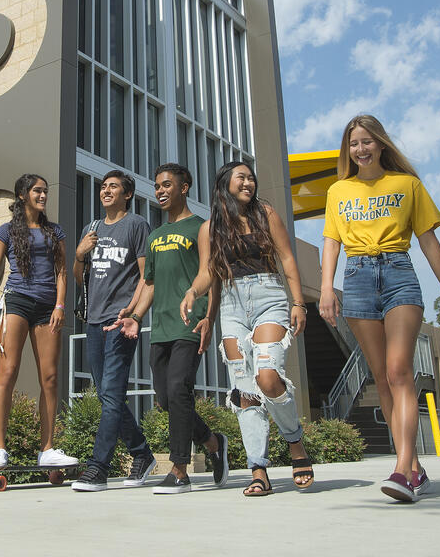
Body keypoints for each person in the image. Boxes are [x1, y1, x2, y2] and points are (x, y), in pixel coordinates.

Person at [319, 114, 440, 502]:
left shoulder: (407, 185)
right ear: (346, 150)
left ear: (381, 144)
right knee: (381, 376)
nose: (361, 149)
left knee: (400, 370)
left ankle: (401, 469)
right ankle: (414, 469)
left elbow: (428, 240)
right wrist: (325, 289)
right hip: (357, 277)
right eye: (354, 144)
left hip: (398, 271)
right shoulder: (339, 191)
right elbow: (332, 243)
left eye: (367, 141)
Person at [180, 162, 315, 496]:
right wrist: (192, 292)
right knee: (244, 393)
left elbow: (286, 259)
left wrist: (299, 302)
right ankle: (259, 469)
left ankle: (295, 443)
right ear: (224, 183)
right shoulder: (209, 228)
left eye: (251, 177)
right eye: (241, 176)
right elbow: (207, 272)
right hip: (231, 304)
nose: (249, 181)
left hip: (269, 296)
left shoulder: (265, 215)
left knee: (268, 377)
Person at [111, 163, 229, 494]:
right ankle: (213, 442)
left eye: (166, 185)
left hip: (190, 322)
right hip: (160, 326)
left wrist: (210, 317)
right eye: (157, 186)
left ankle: (179, 469)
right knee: (165, 399)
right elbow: (149, 284)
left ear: (184, 187)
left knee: (179, 389)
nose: (160, 191)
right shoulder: (155, 235)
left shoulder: (201, 227)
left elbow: (212, 274)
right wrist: (135, 314)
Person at [0, 173, 78, 470]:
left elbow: (61, 273)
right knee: (8, 372)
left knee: (50, 378)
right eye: (37, 191)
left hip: (47, 307)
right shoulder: (5, 231)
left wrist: (60, 305)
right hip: (16, 301)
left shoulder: (55, 231)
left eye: (45, 191)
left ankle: (47, 449)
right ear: (23, 195)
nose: (43, 196)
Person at [70, 171, 157, 491]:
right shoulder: (90, 229)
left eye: (113, 187)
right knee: (108, 395)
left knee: (111, 394)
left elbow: (148, 275)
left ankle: (99, 466)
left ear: (127, 194)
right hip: (94, 321)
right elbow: (80, 275)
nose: (106, 191)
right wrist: (80, 253)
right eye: (103, 187)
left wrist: (134, 313)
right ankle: (142, 453)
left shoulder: (136, 225)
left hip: (121, 320)